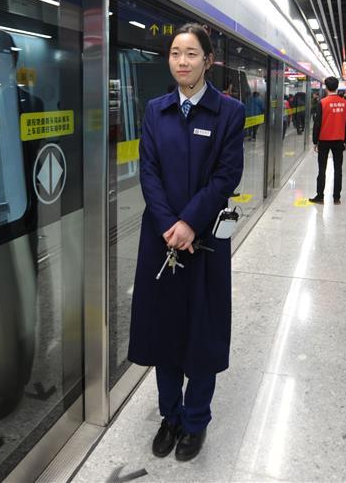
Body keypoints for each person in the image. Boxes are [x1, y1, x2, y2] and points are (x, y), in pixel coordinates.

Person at [128, 23, 245, 461]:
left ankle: (195, 420)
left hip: (206, 242)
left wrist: (190, 224)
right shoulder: (155, 109)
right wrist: (167, 225)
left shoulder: (228, 113)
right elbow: (148, 173)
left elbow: (226, 177)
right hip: (161, 239)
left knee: (202, 332)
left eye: (191, 54)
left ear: (208, 61)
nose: (182, 61)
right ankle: (170, 415)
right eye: (175, 53)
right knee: (164, 330)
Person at [309, 77, 346, 205]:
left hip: (324, 140)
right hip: (339, 140)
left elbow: (317, 123)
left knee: (322, 169)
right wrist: (345, 140)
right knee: (338, 169)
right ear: (337, 87)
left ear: (326, 87)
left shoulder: (322, 103)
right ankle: (336, 198)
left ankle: (320, 196)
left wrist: (315, 141)